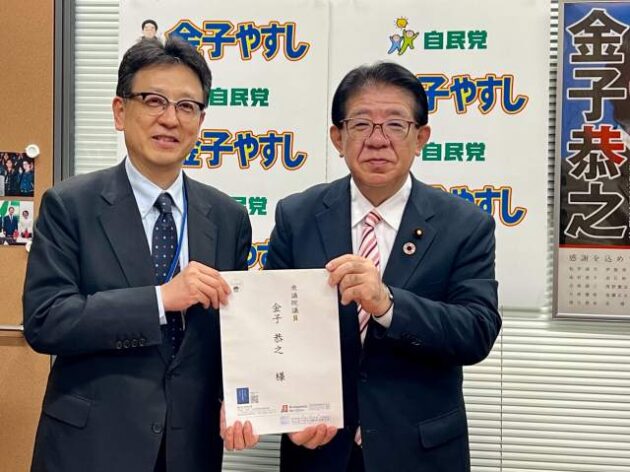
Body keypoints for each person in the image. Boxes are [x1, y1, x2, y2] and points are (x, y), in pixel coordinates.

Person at [23, 37, 257, 472]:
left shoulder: (227, 217)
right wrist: (160, 300)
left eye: (187, 106)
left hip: (191, 448)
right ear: (120, 111)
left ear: (201, 120)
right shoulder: (70, 205)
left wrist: (243, 398)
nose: (170, 118)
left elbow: (234, 331)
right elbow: (46, 320)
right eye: (154, 101)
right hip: (91, 447)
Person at [265, 62, 501, 472]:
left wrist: (388, 304)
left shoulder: (464, 225)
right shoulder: (297, 216)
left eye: (395, 124)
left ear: (421, 137)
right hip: (318, 448)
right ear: (338, 138)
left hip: (419, 452)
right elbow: (273, 330)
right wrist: (285, 414)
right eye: (361, 125)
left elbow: (476, 331)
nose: (377, 140)